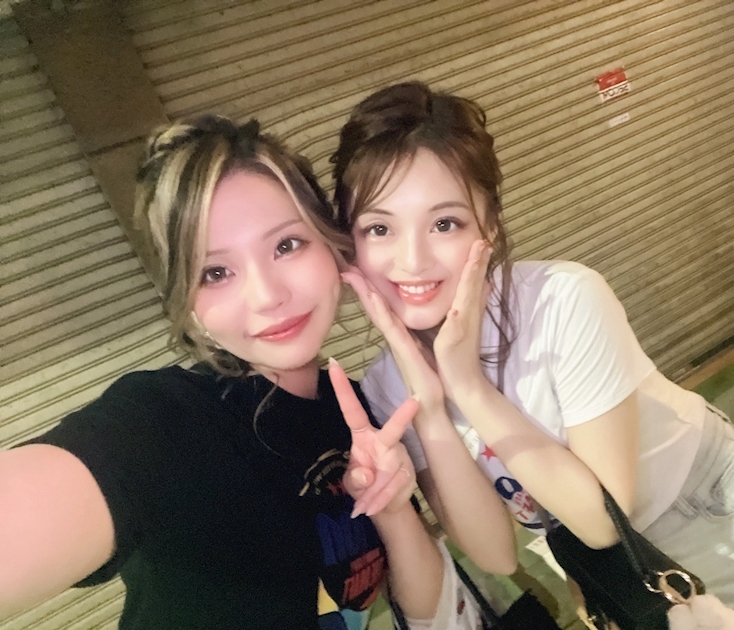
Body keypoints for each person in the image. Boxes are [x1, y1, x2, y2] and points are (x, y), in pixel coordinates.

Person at [330, 80, 734, 629]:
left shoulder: (563, 299)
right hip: (605, 561)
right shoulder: (388, 385)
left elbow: (602, 521)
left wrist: (467, 384)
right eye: (379, 228)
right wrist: (430, 410)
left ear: (489, 225)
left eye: (444, 223)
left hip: (709, 510)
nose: (412, 260)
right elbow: (497, 555)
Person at [0, 114, 473, 630]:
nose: (267, 296)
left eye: (286, 245)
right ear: (189, 303)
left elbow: (428, 612)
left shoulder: (359, 412)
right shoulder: (166, 422)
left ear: (331, 245)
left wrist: (393, 507)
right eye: (215, 272)